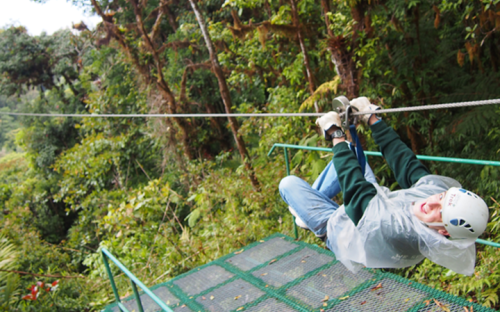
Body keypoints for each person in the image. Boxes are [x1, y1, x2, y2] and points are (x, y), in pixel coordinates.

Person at [279, 97, 490, 276]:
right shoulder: (433, 197)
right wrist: (371, 118)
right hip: (375, 201)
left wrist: (335, 134)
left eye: (441, 211)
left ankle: (309, 217)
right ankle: (305, 211)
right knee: (349, 156)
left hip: (340, 229)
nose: (432, 202)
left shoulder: (397, 230)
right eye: (443, 197)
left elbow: (357, 193)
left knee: (288, 184)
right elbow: (405, 163)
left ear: (443, 231)